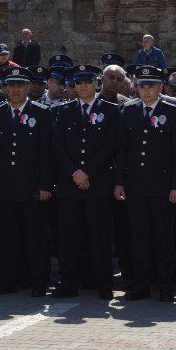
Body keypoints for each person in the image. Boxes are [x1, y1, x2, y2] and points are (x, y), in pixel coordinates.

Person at [114, 65, 176, 302]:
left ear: (161, 87)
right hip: (136, 186)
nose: (146, 91)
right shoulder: (130, 110)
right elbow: (122, 149)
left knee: (164, 238)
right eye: (142, 86)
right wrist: (120, 182)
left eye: (151, 86)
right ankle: (142, 285)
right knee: (140, 238)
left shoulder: (173, 111)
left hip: (163, 186)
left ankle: (166, 286)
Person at [52, 65, 119, 300]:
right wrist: (75, 173)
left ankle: (103, 285)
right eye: (78, 83)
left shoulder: (111, 111)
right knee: (69, 239)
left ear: (96, 83)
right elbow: (57, 146)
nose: (83, 87)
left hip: (97, 184)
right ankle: (68, 283)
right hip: (70, 186)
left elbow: (110, 146)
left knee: (99, 239)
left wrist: (87, 172)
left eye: (87, 82)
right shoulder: (63, 110)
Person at [0, 66, 53, 295]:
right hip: (5, 187)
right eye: (11, 85)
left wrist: (45, 185)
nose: (15, 90)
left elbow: (46, 153)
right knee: (8, 237)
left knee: (35, 237)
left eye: (20, 85)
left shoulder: (42, 113)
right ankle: (8, 281)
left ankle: (38, 282)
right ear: (4, 88)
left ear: (27, 87)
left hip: (32, 187)